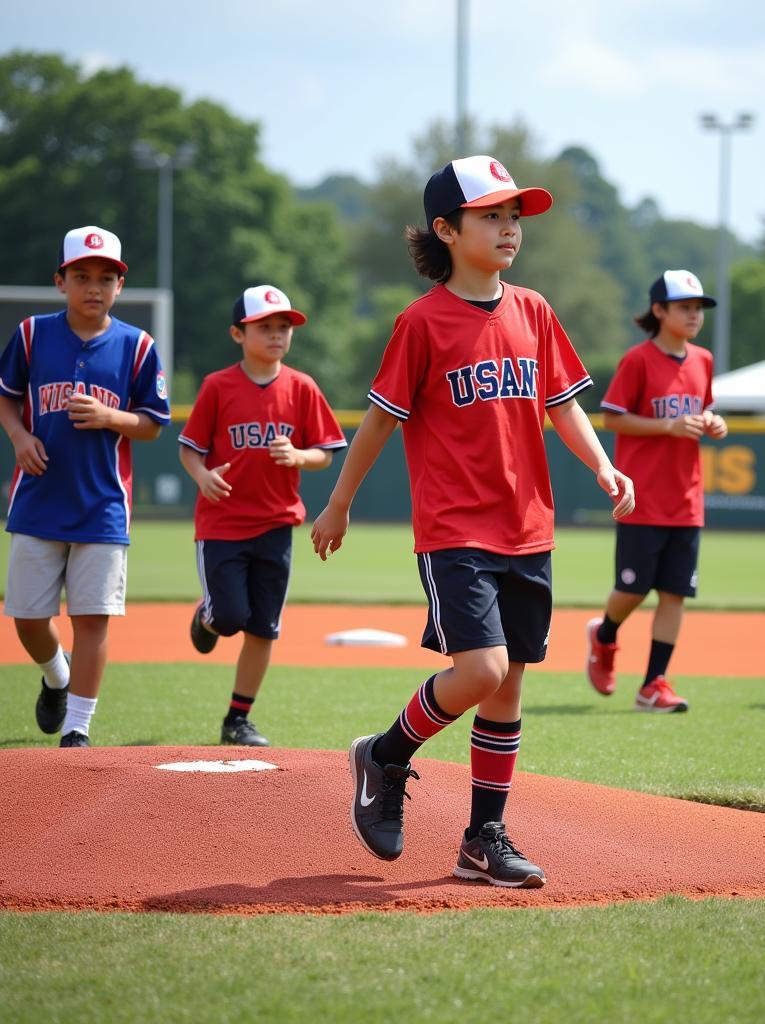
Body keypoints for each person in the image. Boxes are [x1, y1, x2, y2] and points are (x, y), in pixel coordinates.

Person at [311, 154, 634, 888]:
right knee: (480, 670)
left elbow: (563, 404)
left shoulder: (534, 311)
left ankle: (481, 839)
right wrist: (339, 500)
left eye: (515, 215)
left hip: (530, 526)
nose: (510, 227)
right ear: (446, 229)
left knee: (509, 683)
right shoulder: (421, 323)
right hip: (456, 529)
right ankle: (386, 753)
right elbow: (379, 423)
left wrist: (601, 463)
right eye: (492, 215)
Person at [0, 225, 171, 748]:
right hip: (37, 499)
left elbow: (152, 423)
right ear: (60, 281)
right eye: (81, 276)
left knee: (93, 618)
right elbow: (6, 396)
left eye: (105, 277)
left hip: (102, 505)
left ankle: (78, 726)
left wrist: (110, 415)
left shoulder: (137, 346)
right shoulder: (32, 334)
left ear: (120, 286)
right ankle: (57, 673)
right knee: (28, 618)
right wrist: (19, 435)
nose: (93, 286)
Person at [178, 285, 346, 746]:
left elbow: (325, 454)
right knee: (230, 615)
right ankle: (207, 617)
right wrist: (202, 476)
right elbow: (190, 450)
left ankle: (237, 718)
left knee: (263, 626)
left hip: (276, 522)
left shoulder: (302, 387)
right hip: (223, 524)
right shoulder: (217, 386)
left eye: (283, 327)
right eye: (264, 327)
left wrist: (298, 455)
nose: (276, 334)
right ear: (238, 333)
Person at [585, 270, 727, 712]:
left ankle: (653, 683)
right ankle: (605, 634)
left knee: (675, 592)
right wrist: (666, 425)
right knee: (633, 589)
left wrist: (715, 423)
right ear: (659, 311)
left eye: (698, 308)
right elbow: (612, 417)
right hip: (642, 496)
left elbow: (704, 411)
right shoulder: (638, 360)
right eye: (685, 307)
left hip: (687, 499)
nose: (694, 315)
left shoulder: (702, 360)